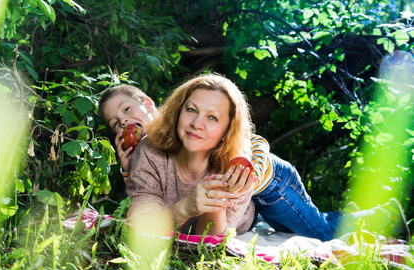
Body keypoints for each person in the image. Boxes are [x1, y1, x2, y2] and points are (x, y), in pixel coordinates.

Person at [99, 76, 411, 242]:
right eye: (115, 123)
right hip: (249, 200)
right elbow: (144, 207)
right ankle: (350, 217)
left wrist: (245, 163)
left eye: (127, 110)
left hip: (271, 181)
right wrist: (130, 171)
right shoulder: (149, 151)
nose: (124, 122)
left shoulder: (231, 151)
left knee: (317, 232)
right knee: (294, 228)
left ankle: (382, 218)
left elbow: (253, 143)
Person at [123, 74, 257, 235]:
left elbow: (208, 243)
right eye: (191, 110)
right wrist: (185, 208)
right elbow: (142, 227)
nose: (196, 124)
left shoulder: (237, 170)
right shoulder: (150, 150)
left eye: (212, 117)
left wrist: (218, 198)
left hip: (263, 200)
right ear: (178, 111)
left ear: (227, 131)